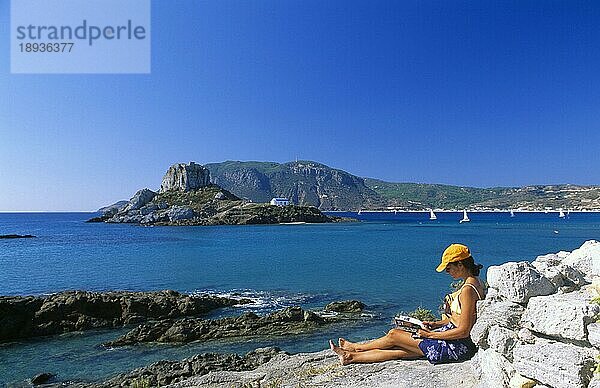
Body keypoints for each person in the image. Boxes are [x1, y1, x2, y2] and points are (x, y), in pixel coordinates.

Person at [329, 243, 485, 365]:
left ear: (460, 264)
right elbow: (460, 318)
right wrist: (436, 323)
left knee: (394, 335)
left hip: (456, 345)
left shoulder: (467, 290)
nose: (447, 272)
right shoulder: (476, 283)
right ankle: (350, 357)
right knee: (400, 350)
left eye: (448, 268)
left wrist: (430, 334)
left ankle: (356, 348)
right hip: (459, 343)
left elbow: (464, 330)